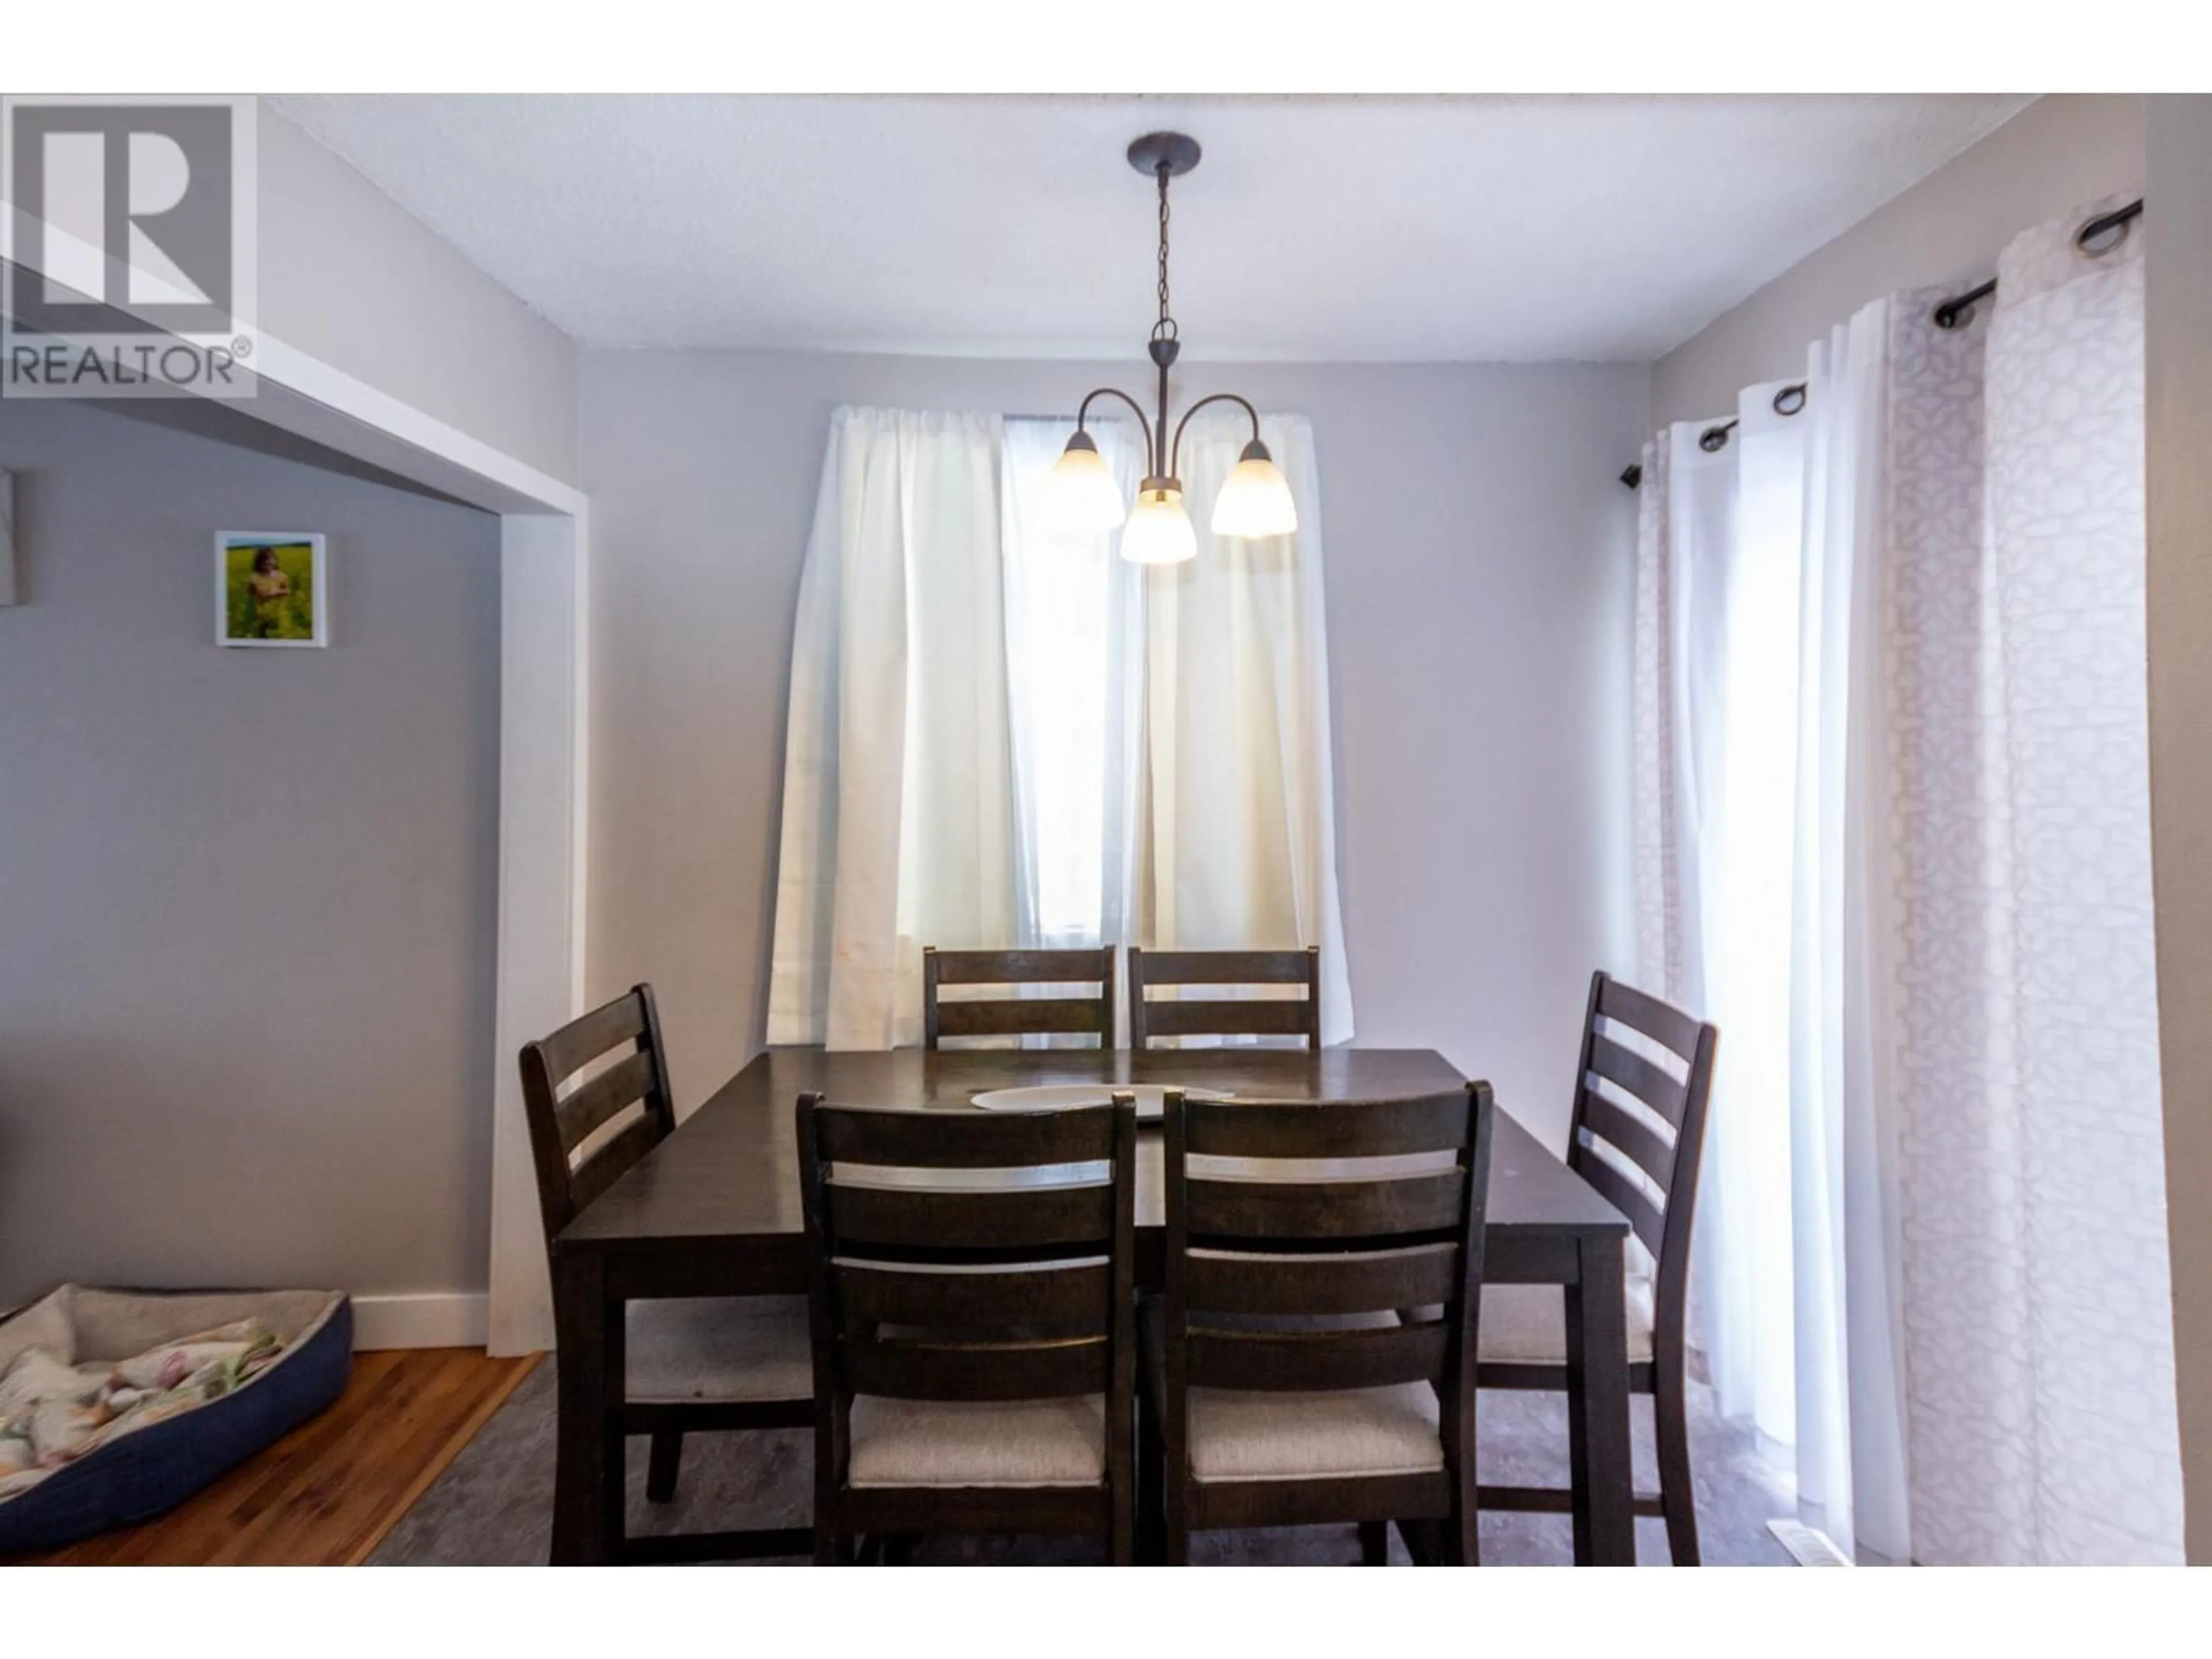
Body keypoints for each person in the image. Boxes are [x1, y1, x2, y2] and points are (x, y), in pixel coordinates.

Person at [245, 546, 291, 638]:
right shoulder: (255, 578)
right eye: (265, 562)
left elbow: (287, 591)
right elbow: (251, 593)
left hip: (279, 614)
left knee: (280, 636)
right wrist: (262, 594)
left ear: (275, 561)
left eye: (271, 560)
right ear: (259, 563)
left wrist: (276, 591)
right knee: (263, 637)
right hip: (262, 615)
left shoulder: (281, 576)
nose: (268, 564)